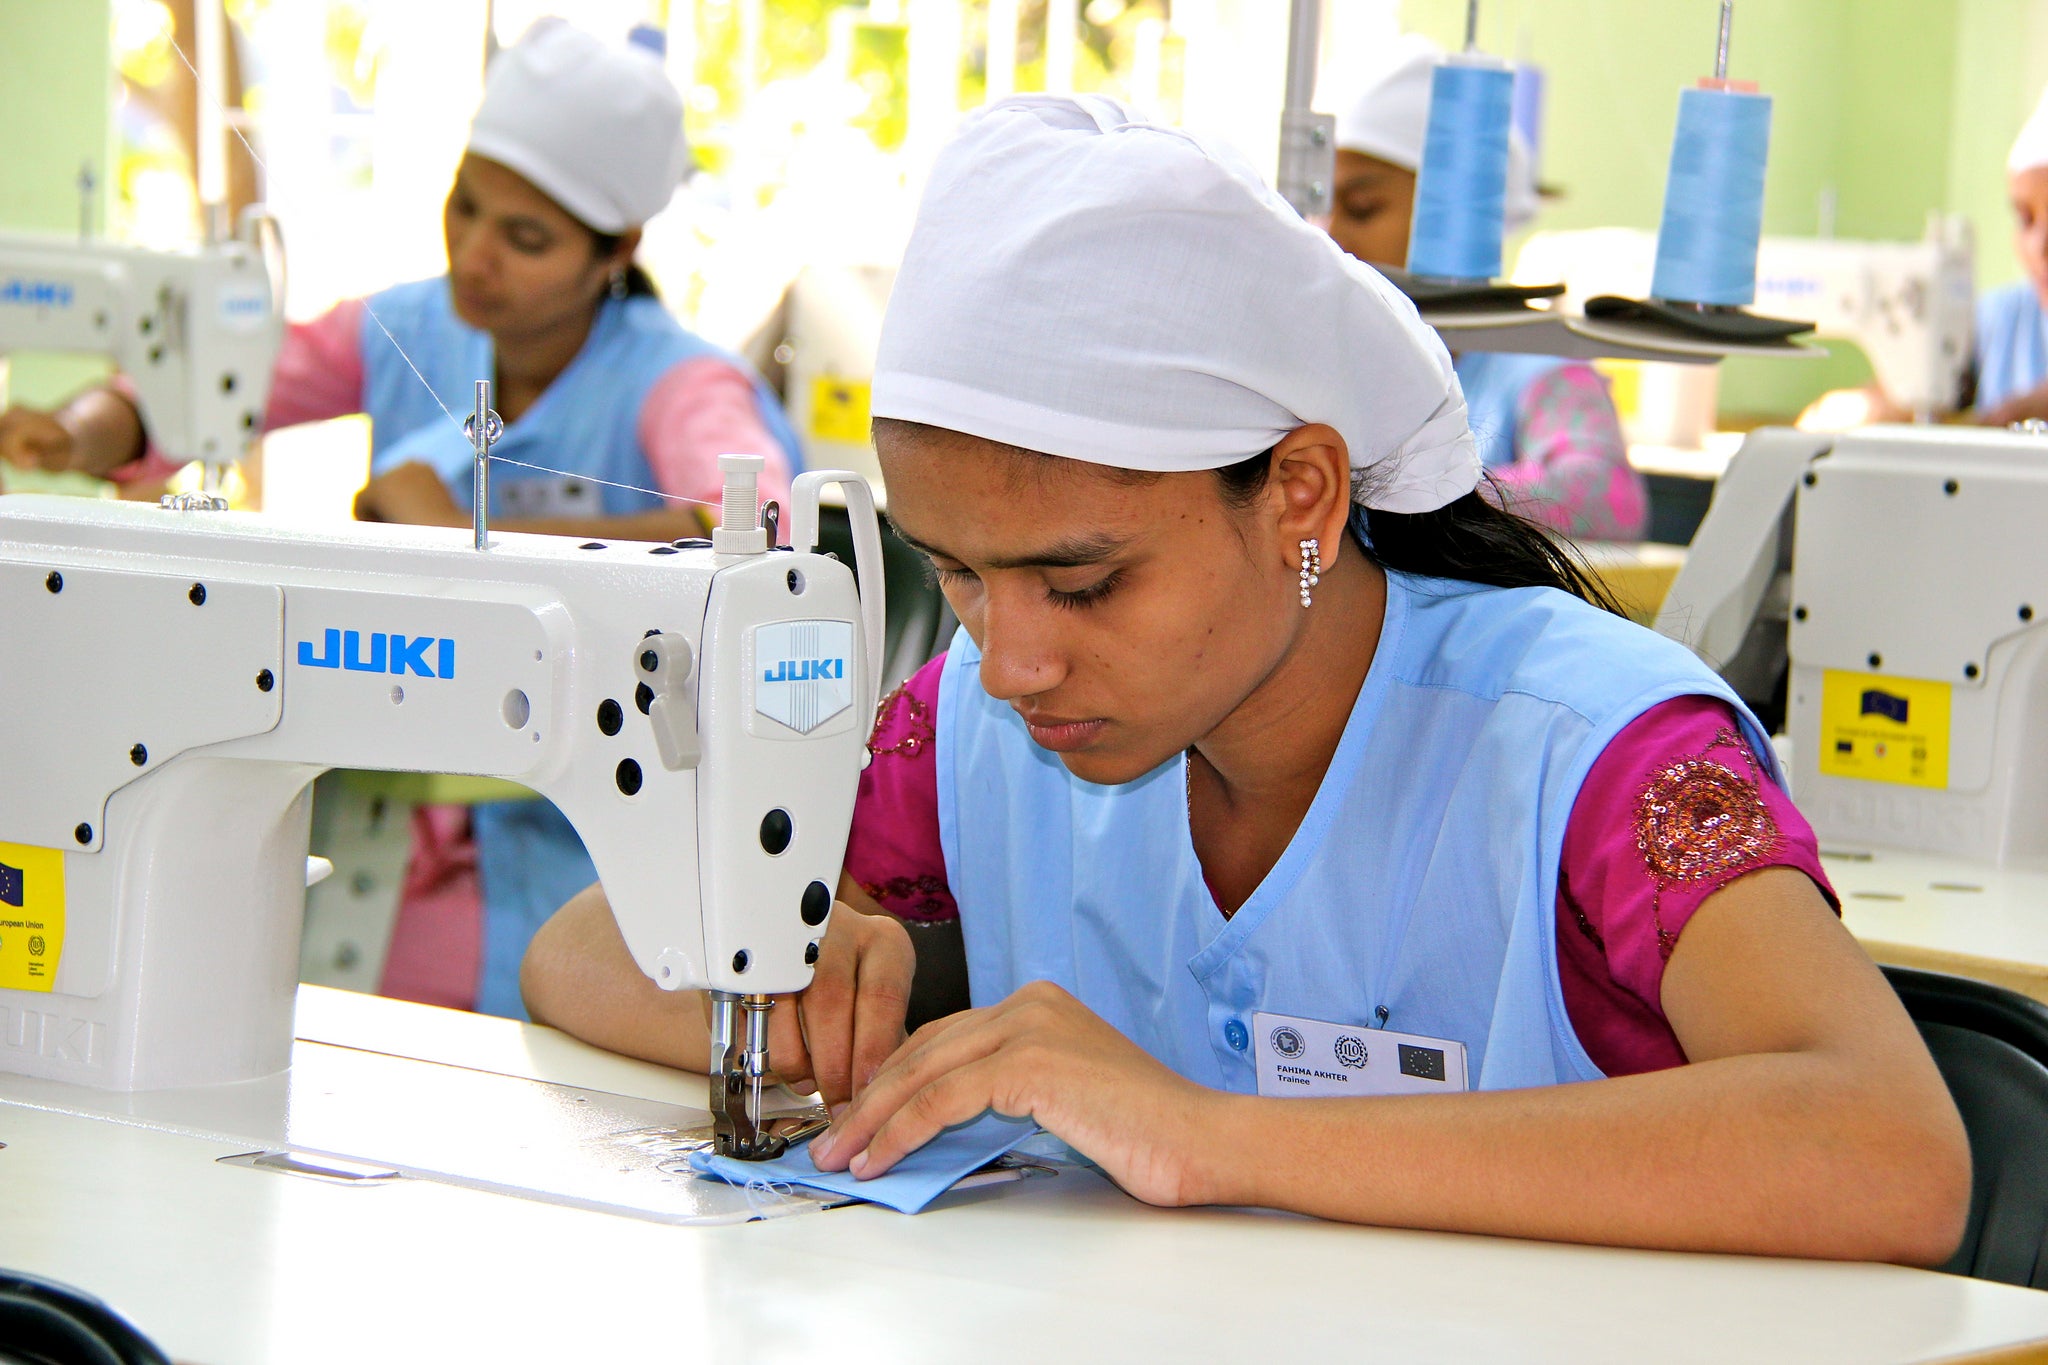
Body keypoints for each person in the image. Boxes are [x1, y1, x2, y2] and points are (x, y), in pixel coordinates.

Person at [519, 95, 1967, 1262]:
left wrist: (1200, 1130)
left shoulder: (1596, 759)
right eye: (956, 571)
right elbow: (580, 953)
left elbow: (1890, 1152)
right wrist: (790, 981)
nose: (1011, 656)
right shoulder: (965, 730)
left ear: (1301, 498)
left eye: (1084, 581)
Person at [1, 20, 802, 1018]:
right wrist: (77, 433)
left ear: (620, 249)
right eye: (464, 207)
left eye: (525, 238)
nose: (475, 256)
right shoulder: (410, 324)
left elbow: (762, 534)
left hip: (578, 855)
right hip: (383, 803)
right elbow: (228, 378)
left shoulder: (675, 381)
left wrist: (460, 533)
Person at [1323, 35, 1647, 542]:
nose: (1330, 232)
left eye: (1363, 207)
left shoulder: (1539, 370)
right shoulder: (1341, 365)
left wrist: (1416, 495)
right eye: (1321, 207)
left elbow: (1608, 500)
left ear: (1451, 221)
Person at [1805, 83, 2048, 429]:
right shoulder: (2001, 322)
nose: (2041, 248)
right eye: (2026, 219)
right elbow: (1919, 386)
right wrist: (1862, 408)